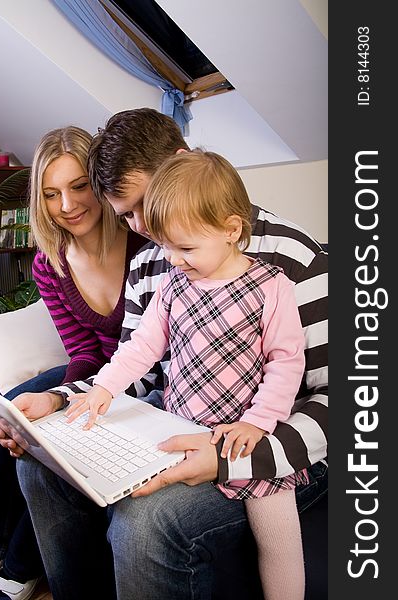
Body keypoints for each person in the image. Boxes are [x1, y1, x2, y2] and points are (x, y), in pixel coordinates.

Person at [10, 107, 327, 600]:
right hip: (181, 421)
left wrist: (231, 456)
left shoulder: (292, 261)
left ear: (182, 164)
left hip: (270, 442)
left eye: (146, 205)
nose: (146, 231)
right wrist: (61, 400)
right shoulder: (154, 264)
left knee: (145, 520)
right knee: (40, 463)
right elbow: (140, 362)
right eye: (129, 216)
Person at [66, 149, 308, 600]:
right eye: (166, 247)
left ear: (232, 230)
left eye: (187, 247)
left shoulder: (271, 286)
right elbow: (141, 348)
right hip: (178, 431)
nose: (174, 259)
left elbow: (286, 362)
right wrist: (105, 387)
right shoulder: (173, 286)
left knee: (279, 545)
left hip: (242, 441)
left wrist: (258, 423)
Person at [0, 125, 145, 600]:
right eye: (51, 193)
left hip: (133, 375)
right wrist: (58, 398)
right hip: (89, 368)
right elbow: (80, 349)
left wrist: (66, 403)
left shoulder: (144, 243)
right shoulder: (49, 262)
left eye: (79, 186)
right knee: (12, 413)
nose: (67, 205)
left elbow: (146, 351)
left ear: (101, 182)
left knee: (42, 436)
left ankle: (20, 566)